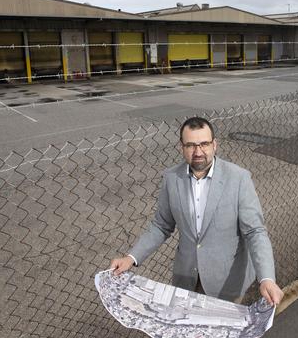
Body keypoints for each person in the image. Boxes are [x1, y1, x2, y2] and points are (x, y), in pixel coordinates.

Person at [110, 116, 283, 306]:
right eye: (191, 145)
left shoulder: (239, 178)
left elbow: (255, 231)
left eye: (204, 144)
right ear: (181, 147)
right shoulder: (171, 178)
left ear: (214, 145)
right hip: (186, 280)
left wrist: (267, 278)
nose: (198, 151)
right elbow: (161, 225)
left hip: (226, 283)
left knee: (220, 333)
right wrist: (131, 258)